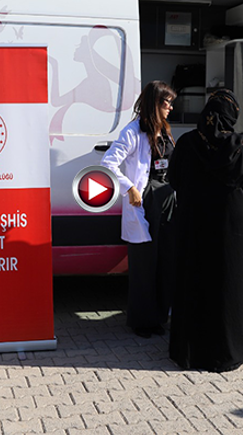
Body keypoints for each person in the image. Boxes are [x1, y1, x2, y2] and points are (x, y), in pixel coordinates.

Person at [167, 89, 243, 372]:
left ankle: (190, 353)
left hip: (194, 221)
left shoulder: (187, 143)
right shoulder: (242, 146)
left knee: (194, 280)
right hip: (233, 226)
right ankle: (226, 352)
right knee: (230, 285)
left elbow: (174, 179)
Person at [101, 80, 177, 338]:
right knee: (144, 264)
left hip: (167, 200)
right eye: (167, 103)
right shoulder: (133, 131)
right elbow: (108, 163)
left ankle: (158, 318)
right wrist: (130, 188)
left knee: (164, 261)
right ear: (155, 103)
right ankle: (142, 322)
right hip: (145, 200)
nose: (170, 108)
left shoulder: (164, 130)